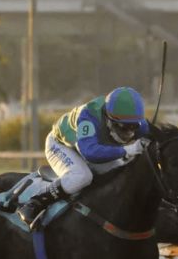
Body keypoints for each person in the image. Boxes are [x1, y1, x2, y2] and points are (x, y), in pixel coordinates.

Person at [16, 86, 150, 225]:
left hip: (91, 146)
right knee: (82, 176)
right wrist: (126, 150)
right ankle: (34, 203)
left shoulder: (135, 120)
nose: (129, 132)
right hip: (62, 145)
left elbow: (153, 136)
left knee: (122, 174)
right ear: (109, 118)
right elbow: (90, 153)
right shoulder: (88, 116)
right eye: (123, 127)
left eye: (133, 127)